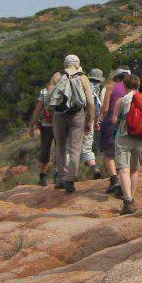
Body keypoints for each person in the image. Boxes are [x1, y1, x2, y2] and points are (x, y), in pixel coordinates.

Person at [44, 54, 96, 193]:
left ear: (65, 63)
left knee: (60, 145)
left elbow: (48, 98)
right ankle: (71, 178)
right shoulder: (83, 77)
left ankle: (61, 177)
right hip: (77, 115)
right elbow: (90, 102)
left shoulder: (57, 76)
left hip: (59, 116)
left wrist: (50, 112)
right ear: (78, 64)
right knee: (75, 148)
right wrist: (89, 120)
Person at [108, 72, 142, 214]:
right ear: (138, 85)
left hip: (124, 137)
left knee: (123, 169)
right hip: (141, 138)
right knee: (134, 169)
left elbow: (114, 120)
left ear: (124, 85)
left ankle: (128, 201)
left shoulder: (121, 101)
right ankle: (131, 198)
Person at [99, 69, 126, 194]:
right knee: (123, 154)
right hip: (126, 125)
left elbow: (105, 109)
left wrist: (100, 120)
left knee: (109, 153)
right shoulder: (133, 89)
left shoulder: (111, 87)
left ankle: (114, 179)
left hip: (111, 122)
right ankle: (124, 183)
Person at [79, 67, 106, 179]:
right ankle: (95, 169)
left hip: (76, 117)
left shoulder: (83, 85)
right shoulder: (100, 88)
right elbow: (99, 107)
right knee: (87, 146)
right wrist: (97, 121)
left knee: (71, 147)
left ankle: (66, 173)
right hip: (90, 119)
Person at [27, 84, 55, 187]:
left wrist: (32, 125)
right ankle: (59, 175)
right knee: (61, 150)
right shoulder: (64, 89)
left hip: (46, 125)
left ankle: (43, 177)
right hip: (60, 125)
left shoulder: (44, 92)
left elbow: (38, 110)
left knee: (45, 149)